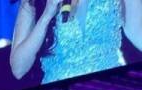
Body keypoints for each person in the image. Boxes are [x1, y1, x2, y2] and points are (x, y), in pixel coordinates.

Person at [10, 0, 142, 84]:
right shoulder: (32, 3)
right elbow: (18, 68)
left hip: (109, 87)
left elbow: (137, 32)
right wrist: (47, 15)